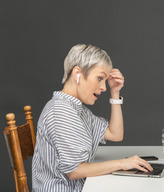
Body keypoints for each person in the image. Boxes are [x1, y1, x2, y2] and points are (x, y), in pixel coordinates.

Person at [32, 44, 153, 191]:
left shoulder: (77, 109)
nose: (103, 87)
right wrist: (122, 164)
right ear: (77, 73)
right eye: (100, 78)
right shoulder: (61, 111)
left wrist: (115, 93)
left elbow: (115, 134)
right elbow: (75, 171)